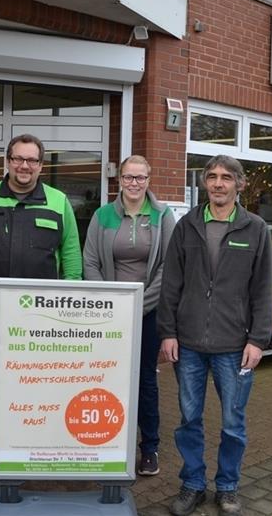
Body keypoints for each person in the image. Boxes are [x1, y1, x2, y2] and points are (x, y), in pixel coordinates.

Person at [158, 155, 272, 516]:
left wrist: (258, 339)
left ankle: (227, 487)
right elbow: (171, 283)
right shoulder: (187, 226)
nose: (218, 183)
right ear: (205, 182)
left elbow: (263, 290)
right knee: (189, 419)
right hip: (188, 343)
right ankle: (193, 484)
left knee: (232, 423)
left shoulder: (255, 229)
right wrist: (168, 332)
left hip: (234, 346)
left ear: (239, 184)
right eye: (212, 177)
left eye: (226, 177)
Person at [0, 133, 82, 475]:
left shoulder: (59, 201)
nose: (24, 166)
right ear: (8, 160)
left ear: (41, 166)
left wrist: (67, 310)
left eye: (32, 160)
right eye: (18, 158)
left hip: (41, 319)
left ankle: (34, 444)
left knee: (39, 382)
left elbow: (72, 257)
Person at [83, 155, 176, 476]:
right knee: (105, 377)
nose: (134, 183)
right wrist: (111, 303)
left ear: (149, 180)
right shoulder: (103, 215)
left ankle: (149, 447)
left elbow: (169, 267)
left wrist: (138, 303)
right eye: (128, 177)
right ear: (119, 180)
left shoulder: (163, 216)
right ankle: (106, 443)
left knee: (145, 380)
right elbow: (90, 261)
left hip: (148, 314)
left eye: (140, 177)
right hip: (107, 314)